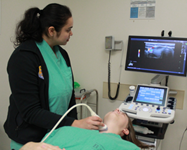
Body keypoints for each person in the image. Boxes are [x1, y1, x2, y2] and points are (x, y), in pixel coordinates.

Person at [4, 3, 103, 150]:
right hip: (31, 142)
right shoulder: (23, 58)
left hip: (60, 137)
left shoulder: (62, 55)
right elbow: (31, 112)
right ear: (51, 31)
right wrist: (75, 124)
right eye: (68, 30)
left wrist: (73, 130)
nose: (71, 34)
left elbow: (70, 100)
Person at [20, 109, 154, 150]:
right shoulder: (65, 129)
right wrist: (30, 146)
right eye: (115, 110)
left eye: (123, 114)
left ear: (125, 131)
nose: (118, 109)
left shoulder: (127, 147)